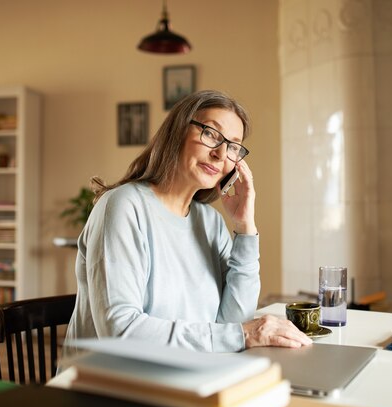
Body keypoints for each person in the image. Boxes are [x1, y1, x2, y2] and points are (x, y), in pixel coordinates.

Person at [64, 90, 312, 353]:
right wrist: (244, 334)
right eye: (211, 133)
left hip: (188, 376)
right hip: (109, 386)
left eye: (233, 147)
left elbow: (233, 323)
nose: (220, 153)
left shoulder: (210, 222)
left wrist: (245, 227)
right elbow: (119, 331)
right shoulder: (123, 205)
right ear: (177, 132)